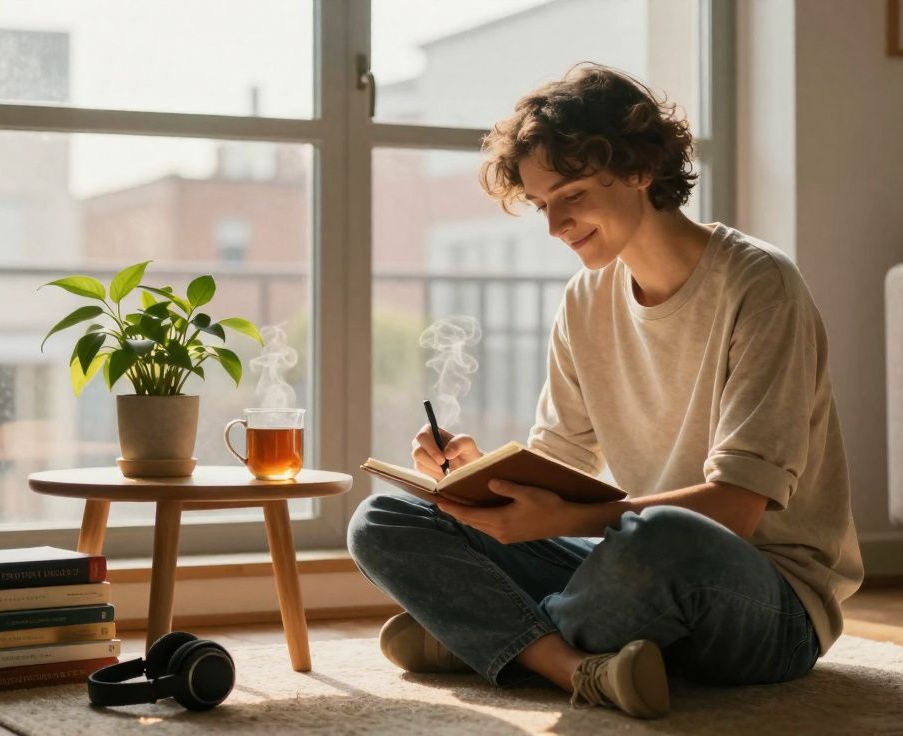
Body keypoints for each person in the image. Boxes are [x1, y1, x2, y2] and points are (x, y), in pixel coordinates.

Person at [347, 63, 863, 720]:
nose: (556, 226)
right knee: (384, 519)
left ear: (641, 168)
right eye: (542, 205)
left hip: (763, 601)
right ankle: (574, 664)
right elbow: (561, 469)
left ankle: (492, 637)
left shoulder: (760, 287)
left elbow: (733, 510)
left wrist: (565, 521)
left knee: (661, 540)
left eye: (572, 194)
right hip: (621, 560)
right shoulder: (586, 299)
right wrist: (485, 480)